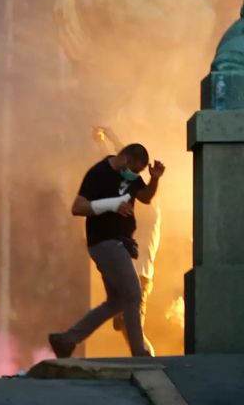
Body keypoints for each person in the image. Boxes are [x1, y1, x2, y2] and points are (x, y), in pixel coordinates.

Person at [49, 143, 165, 358]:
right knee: (133, 294)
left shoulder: (130, 177)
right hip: (105, 242)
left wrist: (155, 178)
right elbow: (77, 207)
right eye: (134, 170)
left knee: (117, 302)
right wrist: (111, 205)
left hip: (118, 243)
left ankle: (66, 340)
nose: (135, 176)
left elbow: (145, 197)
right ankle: (140, 353)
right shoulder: (98, 174)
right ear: (124, 159)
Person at [93, 127, 160, 355]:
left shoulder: (148, 209)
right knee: (128, 326)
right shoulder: (137, 203)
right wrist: (107, 140)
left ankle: (148, 361)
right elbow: (122, 167)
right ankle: (144, 356)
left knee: (132, 327)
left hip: (138, 274)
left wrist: (109, 138)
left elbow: (125, 168)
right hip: (129, 270)